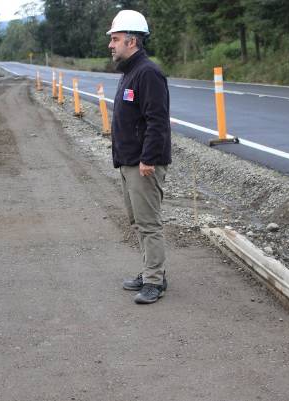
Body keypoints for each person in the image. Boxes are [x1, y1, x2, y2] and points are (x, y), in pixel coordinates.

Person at [107, 10, 172, 304]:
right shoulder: (129, 72)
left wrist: (148, 159)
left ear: (131, 41)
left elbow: (157, 121)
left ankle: (155, 282)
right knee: (138, 221)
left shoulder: (148, 73)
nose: (111, 44)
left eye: (115, 38)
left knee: (149, 223)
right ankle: (150, 271)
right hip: (128, 162)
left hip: (144, 164)